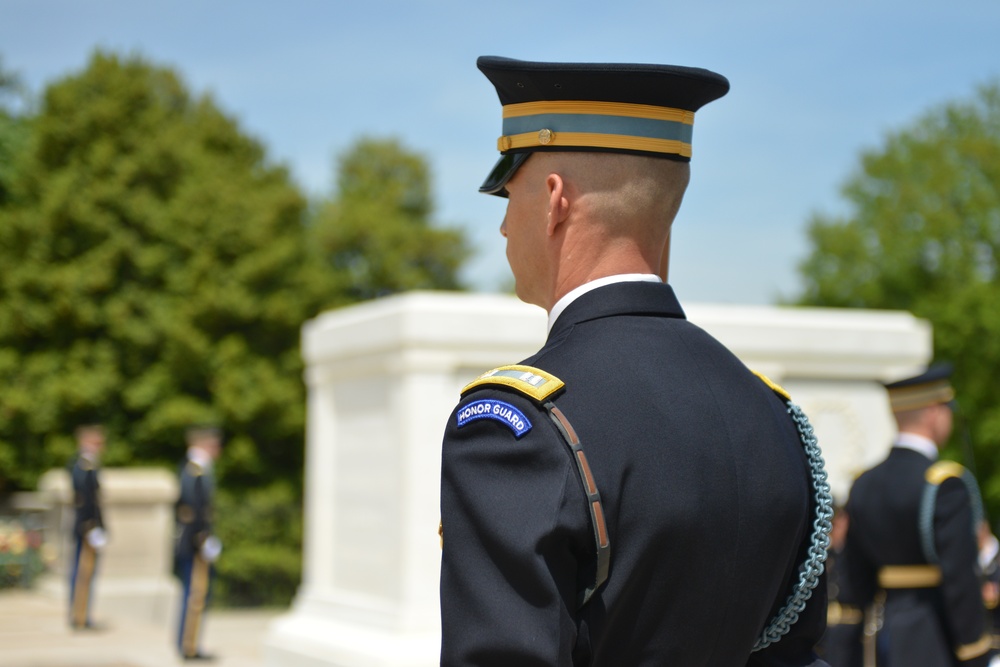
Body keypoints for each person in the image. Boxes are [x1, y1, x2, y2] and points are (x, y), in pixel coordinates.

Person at [438, 55, 833, 667]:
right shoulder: (774, 416)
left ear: (554, 200)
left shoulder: (514, 428)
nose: (504, 227)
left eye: (508, 195)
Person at [839, 364, 993, 666]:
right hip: (934, 638)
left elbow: (854, 580)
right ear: (935, 413)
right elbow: (960, 578)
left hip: (883, 638)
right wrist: (975, 651)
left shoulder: (864, 484)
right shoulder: (944, 484)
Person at [174, 425, 223, 661]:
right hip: (194, 543)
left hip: (195, 541)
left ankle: (189, 644)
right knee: (195, 593)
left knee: (196, 593)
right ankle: (188, 645)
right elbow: (193, 511)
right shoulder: (195, 470)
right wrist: (203, 539)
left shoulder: (197, 468)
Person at [68, 423, 108, 630]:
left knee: (87, 572)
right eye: (97, 442)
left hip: (89, 526)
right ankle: (79, 615)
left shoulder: (89, 464)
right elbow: (84, 501)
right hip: (86, 527)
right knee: (83, 571)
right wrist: (90, 526)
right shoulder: (84, 465)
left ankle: (82, 614)